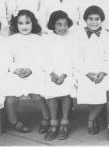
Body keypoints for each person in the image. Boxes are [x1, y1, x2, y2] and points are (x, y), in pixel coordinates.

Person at [4, 10, 50, 134]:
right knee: (11, 96)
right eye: (21, 23)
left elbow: (42, 59)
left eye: (27, 23)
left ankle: (46, 118)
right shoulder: (11, 40)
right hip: (16, 73)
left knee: (37, 96)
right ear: (16, 24)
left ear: (33, 23)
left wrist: (32, 69)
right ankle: (13, 120)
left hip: (34, 71)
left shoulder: (38, 39)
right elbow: (7, 60)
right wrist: (16, 70)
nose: (24, 26)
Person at [74, 5, 109, 135]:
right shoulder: (78, 36)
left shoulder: (108, 37)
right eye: (90, 19)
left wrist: (103, 73)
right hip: (85, 72)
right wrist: (88, 73)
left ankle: (91, 119)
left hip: (103, 72)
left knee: (105, 87)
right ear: (85, 20)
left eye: (97, 19)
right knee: (88, 87)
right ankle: (97, 117)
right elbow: (77, 58)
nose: (93, 22)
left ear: (101, 20)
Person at [43, 11, 77, 141]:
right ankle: (53, 123)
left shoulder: (71, 39)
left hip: (67, 73)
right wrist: (51, 73)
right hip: (51, 72)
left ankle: (64, 122)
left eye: (65, 24)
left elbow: (73, 59)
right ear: (53, 25)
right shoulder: (47, 39)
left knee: (65, 91)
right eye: (59, 24)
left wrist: (64, 74)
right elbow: (44, 58)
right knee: (51, 91)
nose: (62, 28)